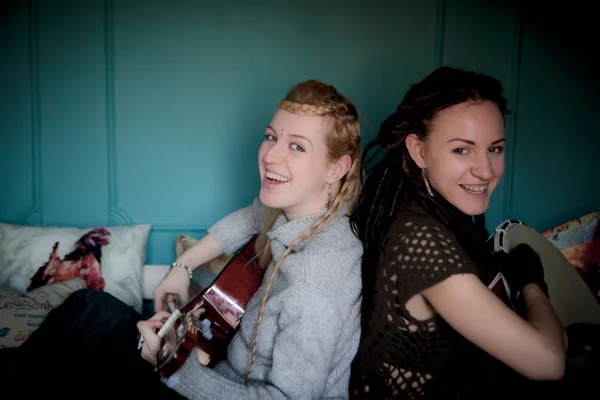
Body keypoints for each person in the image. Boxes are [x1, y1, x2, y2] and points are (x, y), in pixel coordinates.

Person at [1, 79, 364, 399]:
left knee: (87, 336)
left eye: (297, 147)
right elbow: (253, 215)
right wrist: (182, 265)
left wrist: (171, 363)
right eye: (271, 136)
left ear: (337, 168)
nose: (270, 155)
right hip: (211, 368)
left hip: (202, 386)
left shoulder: (316, 280)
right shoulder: (301, 212)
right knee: (90, 308)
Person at [347, 66, 568, 399]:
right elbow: (549, 361)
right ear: (418, 150)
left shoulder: (430, 207)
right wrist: (532, 284)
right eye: (462, 149)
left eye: (494, 149)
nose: (485, 170)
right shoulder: (420, 238)